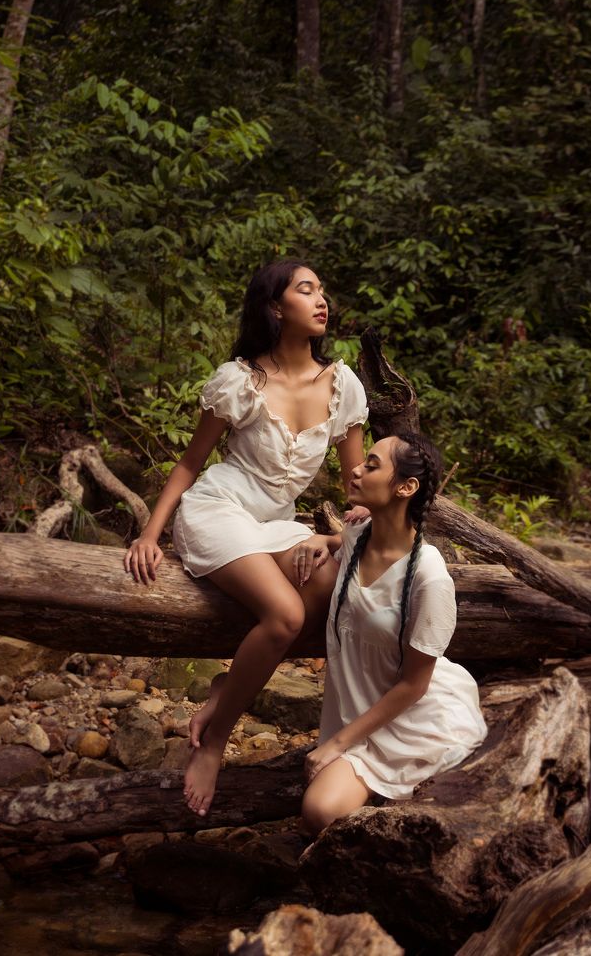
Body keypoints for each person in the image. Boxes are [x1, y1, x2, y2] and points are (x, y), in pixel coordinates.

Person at [123, 259, 369, 817]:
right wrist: (150, 534)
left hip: (279, 523)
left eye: (322, 291)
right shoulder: (240, 380)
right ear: (275, 307)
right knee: (285, 615)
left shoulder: (343, 386)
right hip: (220, 509)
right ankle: (214, 742)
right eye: (306, 290)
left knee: (332, 586)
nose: (322, 300)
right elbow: (190, 464)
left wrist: (339, 536)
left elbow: (357, 488)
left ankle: (226, 687)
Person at [300, 431, 488, 835]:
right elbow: (343, 538)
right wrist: (323, 539)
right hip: (359, 715)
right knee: (319, 813)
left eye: (371, 465)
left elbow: (415, 685)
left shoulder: (428, 577)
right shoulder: (356, 537)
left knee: (322, 810)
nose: (355, 469)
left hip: (418, 721)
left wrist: (336, 744)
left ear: (406, 487)